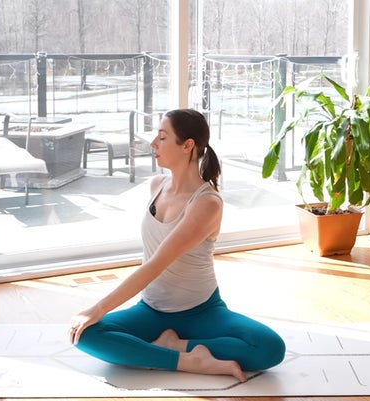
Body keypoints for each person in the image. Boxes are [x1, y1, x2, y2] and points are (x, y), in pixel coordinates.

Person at [68, 108, 285, 382]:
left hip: (202, 311)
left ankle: (172, 346)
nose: (153, 144)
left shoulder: (206, 203)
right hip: (151, 310)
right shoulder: (156, 185)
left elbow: (157, 264)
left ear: (188, 146)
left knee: (269, 348)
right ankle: (189, 361)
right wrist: (94, 315)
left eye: (162, 137)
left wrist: (98, 308)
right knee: (84, 334)